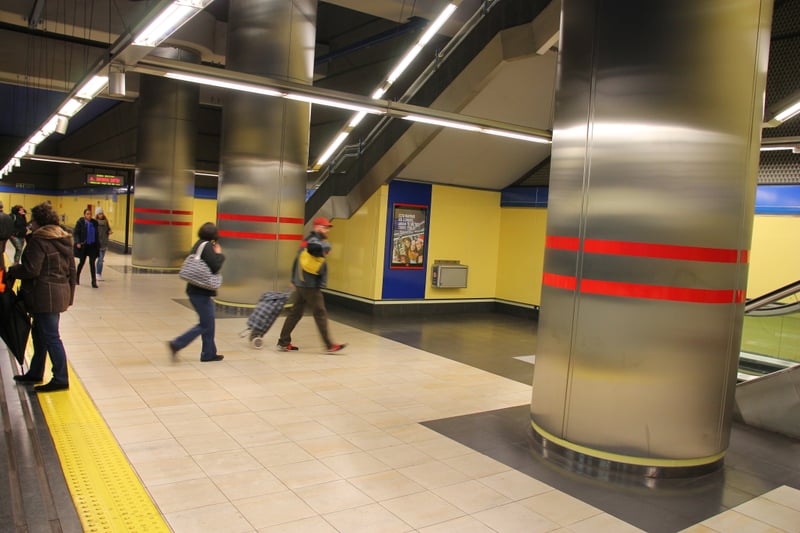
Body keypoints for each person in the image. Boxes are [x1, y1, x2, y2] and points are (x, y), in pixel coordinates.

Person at [8, 202, 76, 392]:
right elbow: (72, 271)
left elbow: (32, 269)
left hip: (44, 295)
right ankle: (36, 372)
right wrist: (70, 295)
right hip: (58, 293)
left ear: (39, 221)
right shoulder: (64, 239)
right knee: (40, 335)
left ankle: (61, 378)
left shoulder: (39, 240)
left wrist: (14, 270)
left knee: (51, 337)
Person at [277, 217, 347, 354]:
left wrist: (293, 278)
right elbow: (313, 249)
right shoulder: (313, 240)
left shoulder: (306, 240)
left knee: (295, 313)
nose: (327, 230)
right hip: (309, 284)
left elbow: (296, 260)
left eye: (328, 228)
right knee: (320, 312)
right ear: (317, 227)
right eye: (325, 227)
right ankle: (329, 345)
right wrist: (326, 247)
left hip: (301, 282)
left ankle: (283, 342)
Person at [168, 222, 226, 362]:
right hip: (201, 292)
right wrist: (219, 254)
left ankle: (208, 353)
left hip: (197, 290)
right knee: (205, 324)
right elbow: (215, 267)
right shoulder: (206, 246)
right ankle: (177, 344)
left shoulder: (199, 244)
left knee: (209, 323)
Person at [73, 208, 99, 288]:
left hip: (92, 246)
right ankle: (77, 278)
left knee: (92, 263)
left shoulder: (94, 223)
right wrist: (77, 242)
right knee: (82, 262)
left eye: (90, 214)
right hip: (84, 245)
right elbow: (76, 233)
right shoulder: (80, 222)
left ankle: (94, 281)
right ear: (84, 215)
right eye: (87, 214)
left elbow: (97, 234)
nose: (89, 215)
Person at [94, 207, 112, 281]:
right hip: (98, 244)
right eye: (99, 214)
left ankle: (98, 273)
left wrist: (109, 232)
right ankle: (98, 273)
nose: (100, 215)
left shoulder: (106, 222)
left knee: (100, 259)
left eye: (101, 213)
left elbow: (108, 229)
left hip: (104, 243)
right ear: (97, 215)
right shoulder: (95, 222)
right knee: (100, 259)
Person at [0, 201, 13, 270]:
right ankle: (2, 269)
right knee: (1, 252)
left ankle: (2, 269)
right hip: (5, 238)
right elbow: (11, 228)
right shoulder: (8, 217)